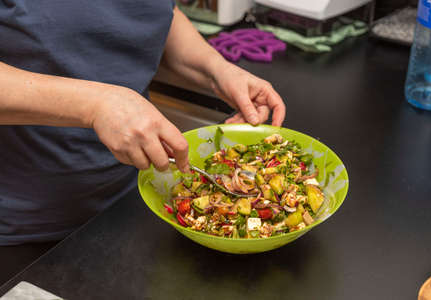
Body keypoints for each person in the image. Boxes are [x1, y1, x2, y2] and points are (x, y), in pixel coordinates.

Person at [0, 1, 285, 246]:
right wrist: (96, 105)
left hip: (134, 201)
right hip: (25, 231)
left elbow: (154, 12)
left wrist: (215, 69)